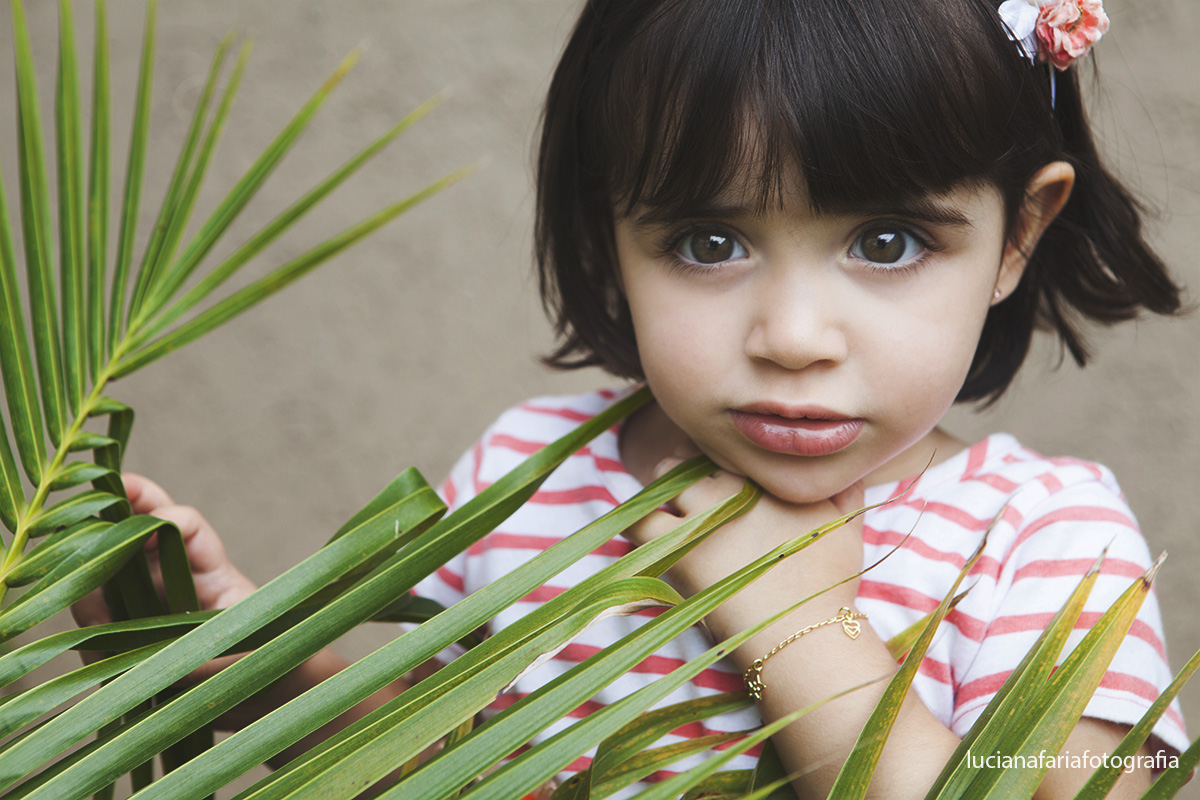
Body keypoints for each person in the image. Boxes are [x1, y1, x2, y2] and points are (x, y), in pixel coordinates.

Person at [74, 0, 1191, 797]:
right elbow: (435, 747)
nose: (792, 337)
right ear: (612, 232)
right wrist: (243, 659)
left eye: (886, 240)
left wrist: (799, 626)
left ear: (1019, 234)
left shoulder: (1044, 540)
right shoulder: (537, 471)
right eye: (710, 241)